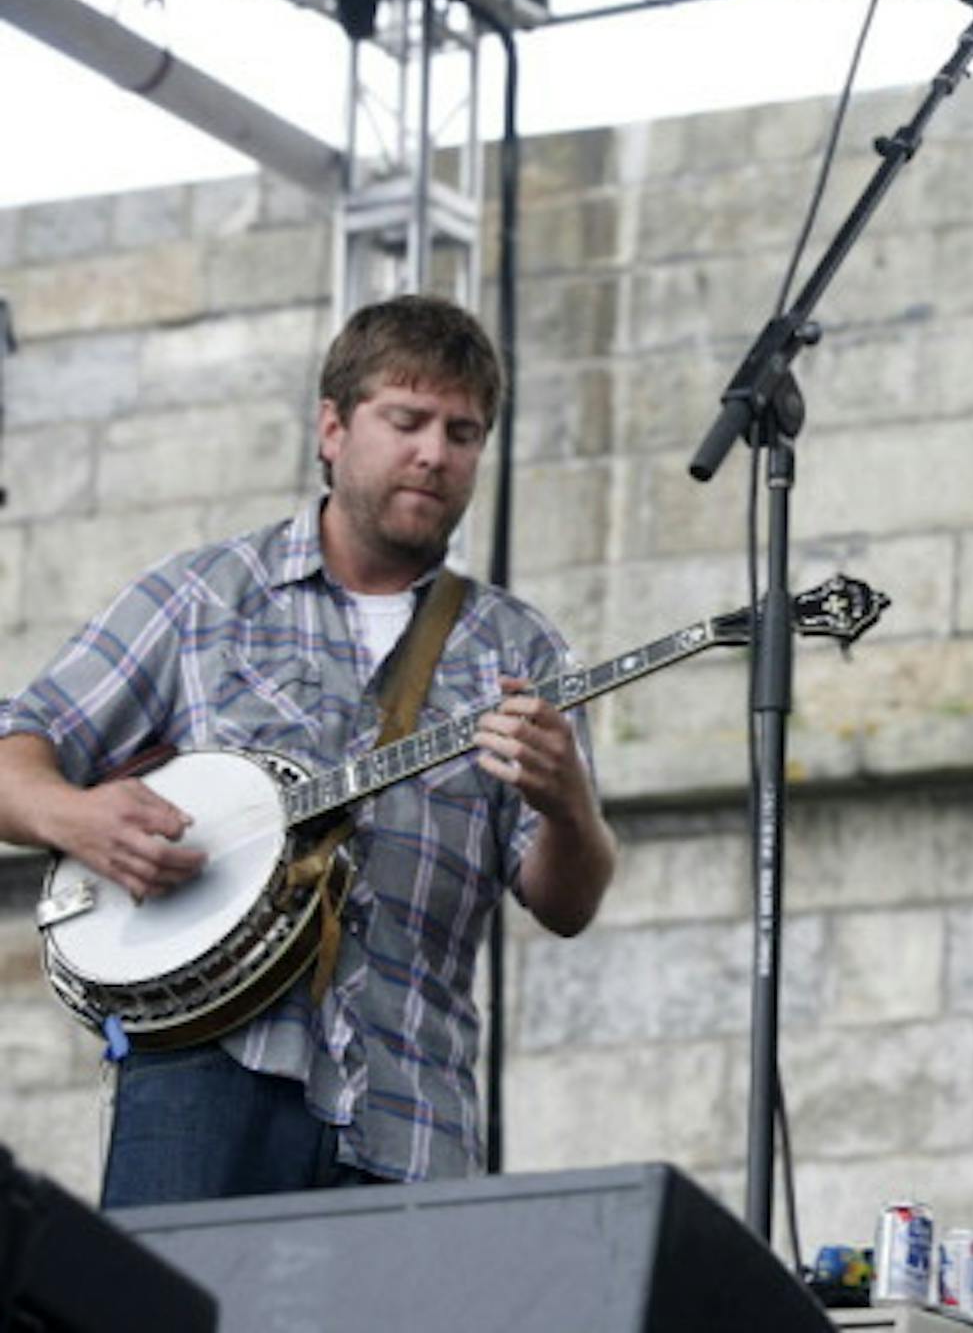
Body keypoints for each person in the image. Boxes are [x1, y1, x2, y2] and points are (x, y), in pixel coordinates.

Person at [0, 294, 618, 1207]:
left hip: (415, 1114)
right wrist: (80, 816)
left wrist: (567, 804)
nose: (434, 454)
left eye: (463, 433)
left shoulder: (517, 649)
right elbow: (19, 746)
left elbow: (567, 903)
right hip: (201, 1081)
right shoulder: (205, 597)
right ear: (332, 428)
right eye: (405, 421)